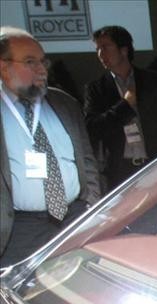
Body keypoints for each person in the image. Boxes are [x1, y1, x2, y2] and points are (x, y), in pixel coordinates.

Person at [1, 27, 101, 267]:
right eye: (30, 62)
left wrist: (92, 205)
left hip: (74, 220)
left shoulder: (64, 103)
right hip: (18, 230)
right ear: (3, 67)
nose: (42, 69)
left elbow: (86, 160)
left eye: (43, 61)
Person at [84, 25, 157, 190]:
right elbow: (93, 128)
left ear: (124, 50)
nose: (100, 54)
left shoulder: (153, 81)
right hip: (120, 172)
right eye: (98, 49)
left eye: (105, 47)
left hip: (156, 166)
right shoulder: (96, 88)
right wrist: (125, 106)